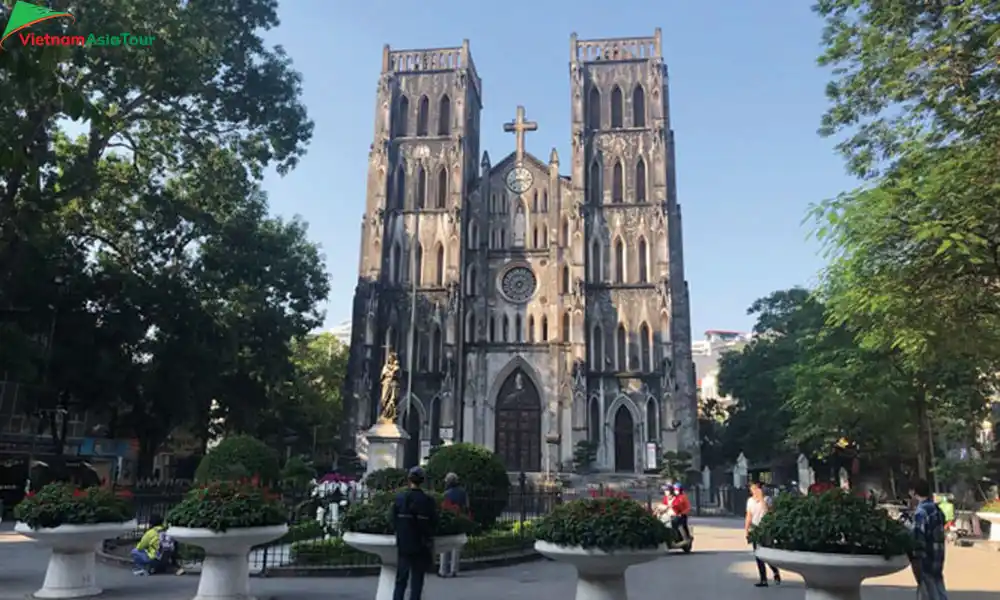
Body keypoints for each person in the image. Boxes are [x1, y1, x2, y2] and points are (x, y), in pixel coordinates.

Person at [392, 466, 438, 600]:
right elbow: (434, 522)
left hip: (404, 543)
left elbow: (392, 518)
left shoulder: (400, 498)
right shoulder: (428, 500)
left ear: (409, 479)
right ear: (423, 481)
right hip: (421, 543)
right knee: (417, 581)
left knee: (401, 580)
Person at [911, 479, 949, 600]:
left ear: (914, 493)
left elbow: (918, 539)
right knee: (939, 590)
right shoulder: (937, 510)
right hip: (938, 557)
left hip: (926, 560)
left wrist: (915, 559)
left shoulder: (921, 512)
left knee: (928, 593)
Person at [745, 481, 780, 588]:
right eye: (752, 489)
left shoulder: (767, 499)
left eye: (755, 488)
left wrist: (761, 499)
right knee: (758, 555)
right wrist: (746, 529)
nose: (753, 491)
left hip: (766, 529)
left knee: (767, 555)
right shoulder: (750, 501)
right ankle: (763, 579)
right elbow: (749, 515)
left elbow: (769, 512)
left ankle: (775, 571)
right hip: (755, 529)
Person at [438, 472, 468, 578]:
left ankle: (443, 570)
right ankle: (454, 569)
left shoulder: (446, 494)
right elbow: (466, 506)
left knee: (445, 544)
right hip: (459, 519)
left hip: (448, 520)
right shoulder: (462, 492)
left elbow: (443, 507)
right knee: (456, 545)